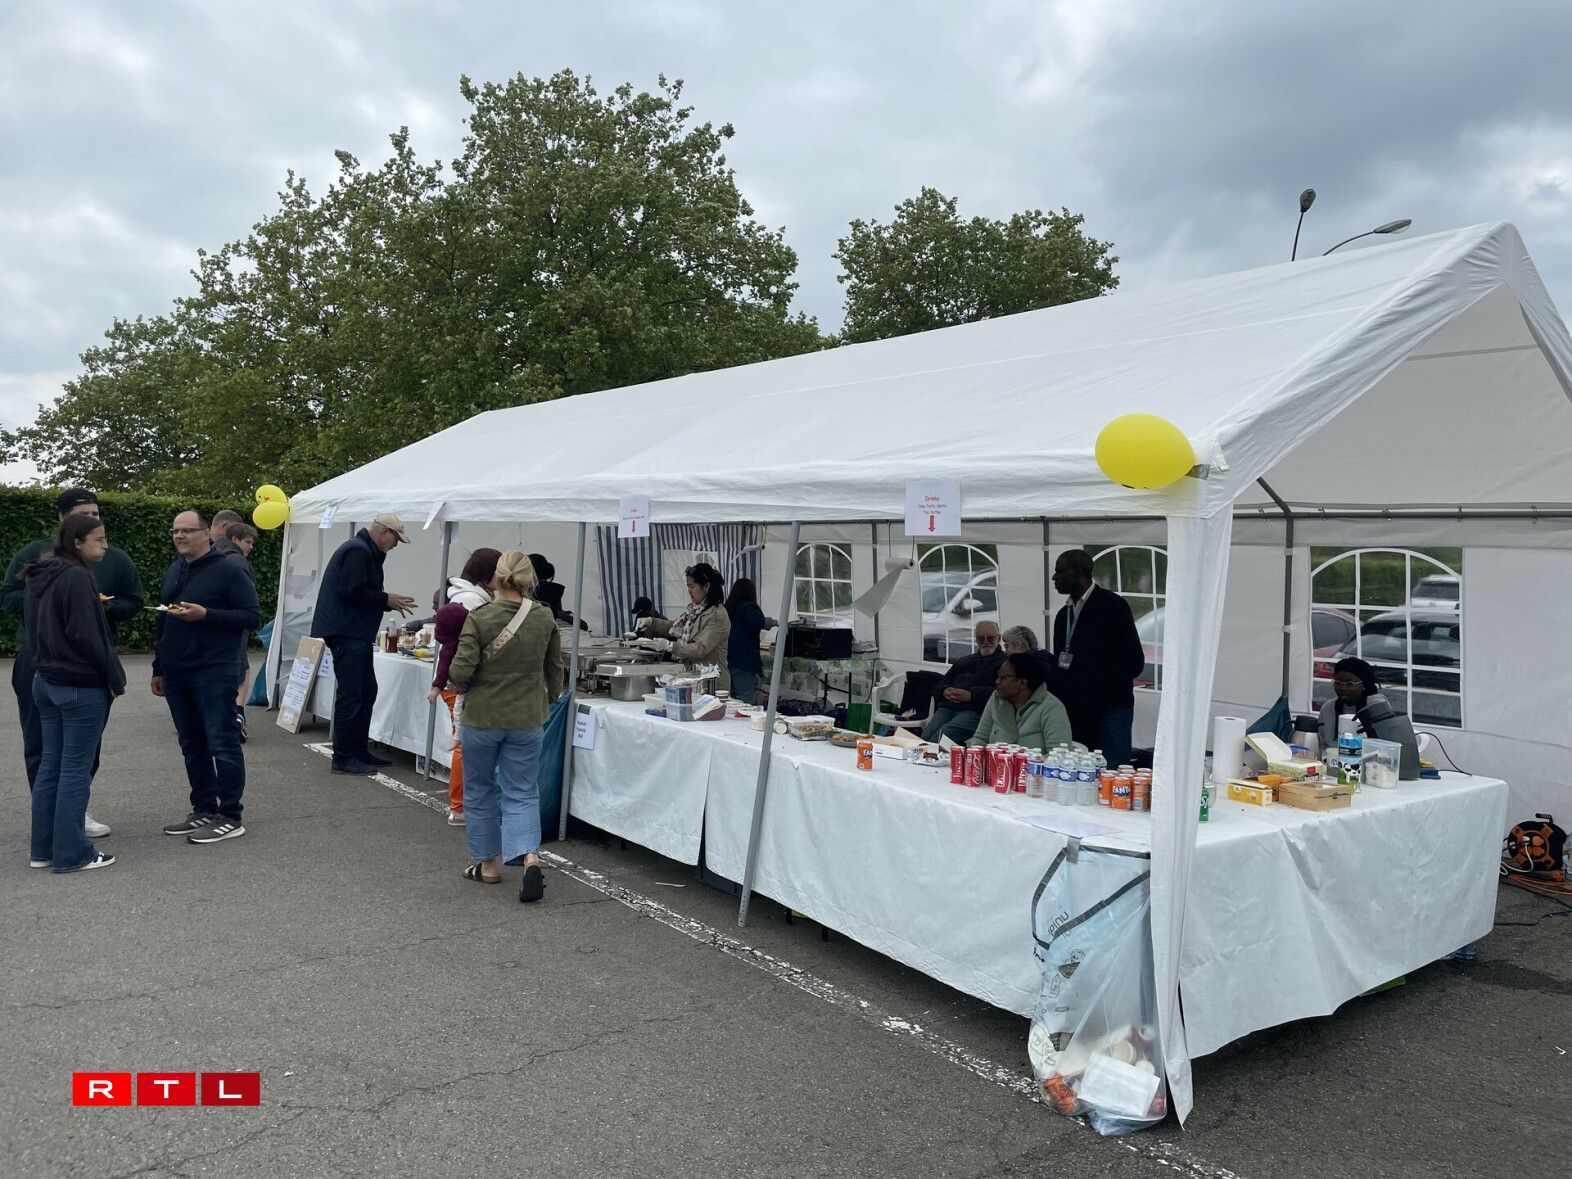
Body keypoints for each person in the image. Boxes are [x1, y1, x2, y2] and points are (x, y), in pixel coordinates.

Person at [2, 487, 142, 838]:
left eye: (96, 514)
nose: (93, 520)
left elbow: (133, 602)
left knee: (83, 746)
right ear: (62, 520)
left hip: (88, 663)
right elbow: (8, 597)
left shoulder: (114, 556)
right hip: (38, 659)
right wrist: (55, 602)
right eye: (83, 514)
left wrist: (105, 606)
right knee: (41, 746)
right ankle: (50, 822)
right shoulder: (35, 554)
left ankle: (72, 814)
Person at [447, 550, 564, 903]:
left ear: (497, 579)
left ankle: (489, 866)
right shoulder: (544, 617)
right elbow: (554, 670)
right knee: (523, 791)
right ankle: (529, 857)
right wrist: (549, 698)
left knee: (480, 790)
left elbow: (460, 672)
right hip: (527, 716)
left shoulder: (480, 617)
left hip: (482, 718)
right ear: (531, 580)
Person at [23, 514, 126, 872]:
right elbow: (89, 637)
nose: (105, 545)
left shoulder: (41, 574)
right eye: (98, 539)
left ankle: (43, 850)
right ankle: (71, 853)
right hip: (78, 685)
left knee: (51, 764)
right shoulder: (77, 577)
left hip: (45, 681)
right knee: (74, 770)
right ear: (77, 543)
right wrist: (115, 679)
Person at [154, 511, 262, 844]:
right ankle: (203, 807)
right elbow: (164, 618)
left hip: (214, 671)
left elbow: (252, 616)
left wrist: (207, 615)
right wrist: (159, 666)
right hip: (177, 672)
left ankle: (231, 815)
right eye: (175, 531)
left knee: (222, 744)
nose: (180, 536)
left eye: (187, 530)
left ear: (207, 535)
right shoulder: (176, 569)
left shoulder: (229, 570)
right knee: (192, 744)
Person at [310, 515, 417, 775]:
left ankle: (356, 750)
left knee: (365, 690)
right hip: (347, 631)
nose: (396, 544)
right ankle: (344, 756)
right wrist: (385, 598)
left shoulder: (360, 549)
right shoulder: (358, 551)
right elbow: (352, 591)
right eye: (395, 538)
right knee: (354, 693)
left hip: (350, 630)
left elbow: (353, 590)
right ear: (383, 532)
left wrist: (384, 599)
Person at [427, 548, 501, 827]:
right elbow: (461, 649)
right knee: (464, 742)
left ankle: (462, 804)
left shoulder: (464, 597)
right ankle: (458, 807)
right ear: (486, 575)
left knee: (466, 741)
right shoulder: (473, 603)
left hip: (455, 682)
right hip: (461, 683)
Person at [1048, 549, 1145, 765]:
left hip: (1110, 711)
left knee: (1111, 775)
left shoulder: (1113, 607)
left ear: (1081, 572)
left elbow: (1133, 661)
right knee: (1077, 774)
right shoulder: (1064, 615)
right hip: (1076, 712)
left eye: (1060, 571)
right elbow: (1060, 663)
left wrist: (1099, 689)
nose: (1054, 578)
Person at [637, 563, 732, 691]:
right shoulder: (694, 610)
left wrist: (670, 646)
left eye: (692, 586)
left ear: (707, 586)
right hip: (691, 677)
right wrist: (651, 622)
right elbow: (675, 627)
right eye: (688, 586)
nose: (689, 590)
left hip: (711, 681)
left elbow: (700, 648)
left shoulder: (717, 615)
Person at [1319, 656, 1421, 772]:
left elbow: (1388, 749)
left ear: (1363, 684)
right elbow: (1323, 746)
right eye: (1338, 682)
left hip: (1374, 771)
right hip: (1335, 770)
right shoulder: (1328, 708)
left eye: (1350, 683)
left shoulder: (1376, 706)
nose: (1342, 687)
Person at [920, 621, 1005, 744]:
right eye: (981, 638)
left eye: (990, 638)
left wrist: (971, 695)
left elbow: (1002, 692)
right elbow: (941, 683)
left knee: (940, 739)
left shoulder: (1004, 664)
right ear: (976, 640)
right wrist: (945, 691)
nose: (986, 642)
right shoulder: (964, 661)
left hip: (976, 711)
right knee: (924, 738)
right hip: (948, 707)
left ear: (999, 638)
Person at [967, 654, 1072, 750]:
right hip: (995, 768)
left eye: (1003, 678)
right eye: (998, 677)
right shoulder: (996, 698)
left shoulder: (1052, 708)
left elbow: (1059, 754)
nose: (997, 681)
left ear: (1022, 683)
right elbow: (980, 738)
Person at [222, 521, 259, 739]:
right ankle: (238, 716)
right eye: (248, 542)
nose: (250, 547)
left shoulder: (209, 555)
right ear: (235, 540)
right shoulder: (239, 562)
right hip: (236, 623)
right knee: (242, 669)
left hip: (214, 626)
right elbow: (248, 599)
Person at [723, 578, 777, 704]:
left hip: (728, 660)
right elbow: (756, 620)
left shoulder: (728, 608)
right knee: (744, 700)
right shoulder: (748, 606)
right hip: (744, 662)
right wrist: (774, 622)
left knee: (731, 700)